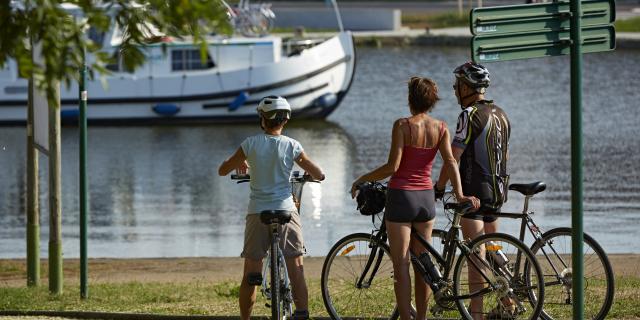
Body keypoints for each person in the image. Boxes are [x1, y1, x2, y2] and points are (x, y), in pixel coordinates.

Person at [350, 77, 479, 320]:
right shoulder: (441, 127)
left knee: (401, 265)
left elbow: (392, 166)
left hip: (401, 198)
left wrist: (362, 178)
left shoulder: (402, 126)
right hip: (425, 201)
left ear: (411, 99)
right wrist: (460, 194)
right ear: (432, 101)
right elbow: (451, 162)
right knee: (423, 263)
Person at [218, 96, 325, 320]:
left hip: (258, 212)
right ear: (284, 121)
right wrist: (312, 174)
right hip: (286, 209)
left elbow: (222, 170)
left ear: (262, 120)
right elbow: (319, 173)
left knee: (251, 272)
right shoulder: (292, 145)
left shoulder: (250, 144)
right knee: (296, 264)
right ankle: (302, 313)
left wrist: (240, 162)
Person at [434, 62, 511, 320]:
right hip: (498, 192)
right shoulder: (501, 113)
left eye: (457, 85)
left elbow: (453, 157)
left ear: (467, 87)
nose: (455, 90)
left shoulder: (469, 115)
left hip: (474, 194)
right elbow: (505, 154)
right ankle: (507, 302)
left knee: (475, 255)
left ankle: (476, 315)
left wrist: (440, 186)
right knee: (492, 250)